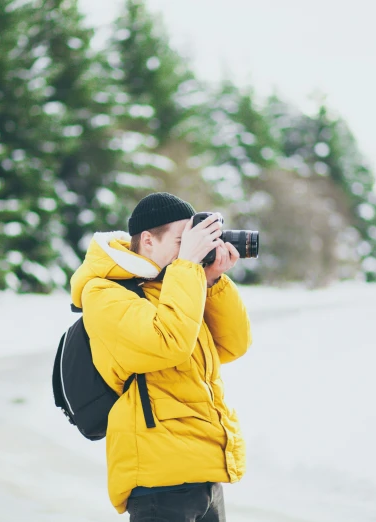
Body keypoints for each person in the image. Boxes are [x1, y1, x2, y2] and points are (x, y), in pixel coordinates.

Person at [69, 192, 252, 521]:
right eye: (183, 241)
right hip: (159, 481)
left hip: (205, 472)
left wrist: (211, 281)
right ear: (149, 241)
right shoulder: (104, 292)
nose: (190, 250)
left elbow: (233, 345)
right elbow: (168, 343)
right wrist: (188, 268)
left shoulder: (179, 284)